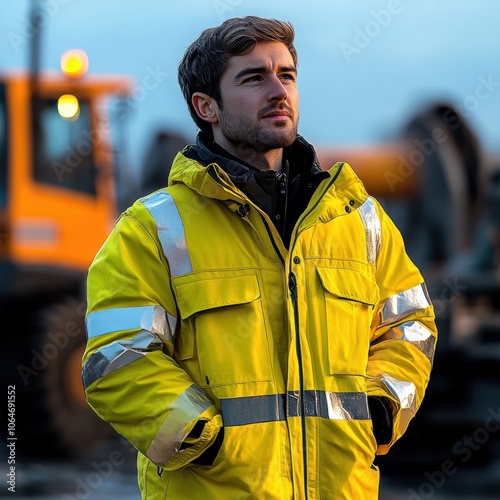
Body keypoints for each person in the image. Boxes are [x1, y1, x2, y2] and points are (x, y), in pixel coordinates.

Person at [82, 15, 438, 499]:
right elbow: (116, 360)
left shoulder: (359, 219)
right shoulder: (152, 230)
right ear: (205, 106)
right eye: (254, 78)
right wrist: (204, 440)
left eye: (287, 75)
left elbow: (410, 326)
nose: (279, 90)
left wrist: (380, 410)